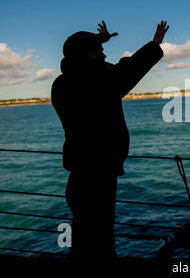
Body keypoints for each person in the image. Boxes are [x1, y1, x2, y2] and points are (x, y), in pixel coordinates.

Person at [51, 20, 169, 261]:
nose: (105, 55)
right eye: (100, 51)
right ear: (90, 55)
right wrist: (155, 44)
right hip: (99, 174)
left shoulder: (60, 84)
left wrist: (97, 42)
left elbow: (89, 66)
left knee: (83, 233)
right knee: (100, 237)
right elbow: (128, 69)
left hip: (78, 174)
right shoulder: (100, 80)